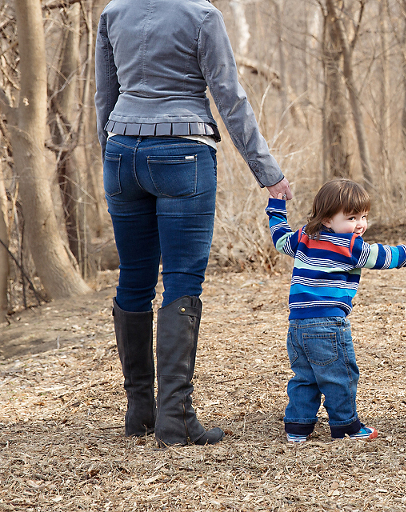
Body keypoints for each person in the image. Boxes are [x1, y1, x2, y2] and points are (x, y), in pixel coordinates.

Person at [95, 0, 292, 447]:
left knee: (134, 278)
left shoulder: (113, 11)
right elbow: (230, 97)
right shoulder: (202, 16)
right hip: (182, 153)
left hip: (121, 151)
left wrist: (109, 155)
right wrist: (268, 173)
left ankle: (140, 409)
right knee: (182, 280)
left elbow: (104, 95)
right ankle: (175, 415)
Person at [266, 179, 406, 443]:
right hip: (328, 324)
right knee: (339, 376)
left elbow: (279, 239)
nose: (360, 224)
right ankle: (346, 425)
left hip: (297, 325)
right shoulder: (350, 246)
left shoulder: (303, 237)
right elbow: (383, 256)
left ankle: (297, 428)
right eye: (351, 217)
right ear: (326, 219)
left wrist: (277, 206)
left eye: (363, 216)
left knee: (305, 377)